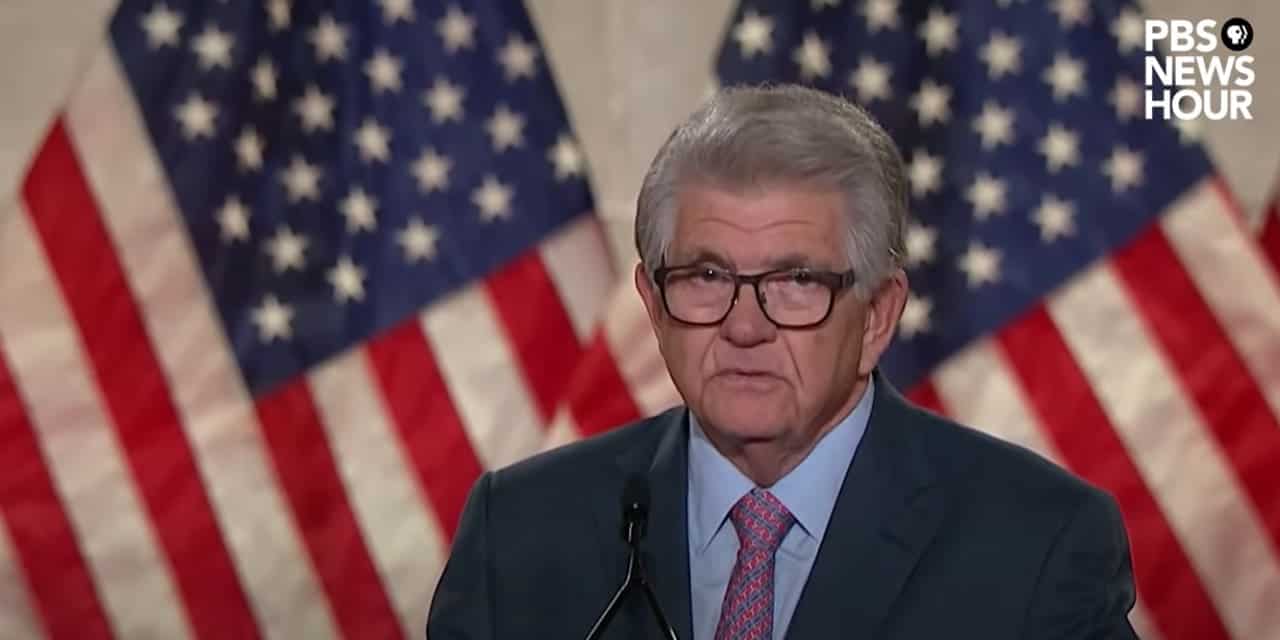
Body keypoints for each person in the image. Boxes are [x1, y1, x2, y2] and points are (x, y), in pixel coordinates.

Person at [425, 84, 1139, 639]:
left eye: (797, 282)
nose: (744, 326)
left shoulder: (1036, 544)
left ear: (879, 314)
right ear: (653, 303)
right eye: (706, 277)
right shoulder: (518, 532)